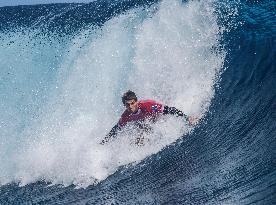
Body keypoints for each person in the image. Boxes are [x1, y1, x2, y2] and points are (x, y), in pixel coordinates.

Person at [101, 90, 198, 144]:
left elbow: (169, 110)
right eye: (127, 105)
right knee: (138, 140)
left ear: (136, 101)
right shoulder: (126, 116)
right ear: (124, 106)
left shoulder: (147, 105)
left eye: (132, 103)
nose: (130, 106)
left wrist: (186, 117)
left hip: (156, 117)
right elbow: (116, 129)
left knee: (149, 127)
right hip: (143, 122)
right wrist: (103, 143)